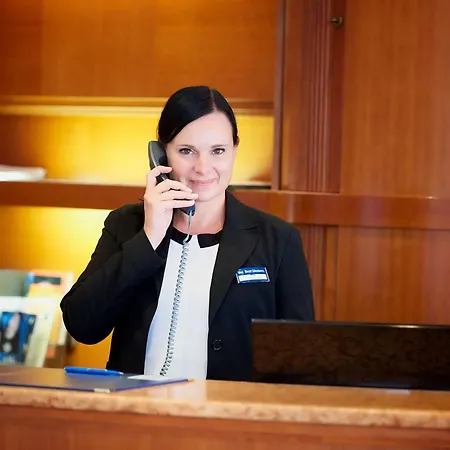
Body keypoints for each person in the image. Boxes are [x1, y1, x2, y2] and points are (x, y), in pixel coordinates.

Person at [60, 86, 315, 381]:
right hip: (137, 406)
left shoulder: (278, 239)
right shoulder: (126, 225)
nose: (203, 168)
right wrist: (148, 238)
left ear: (234, 150)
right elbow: (82, 325)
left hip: (233, 408)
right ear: (160, 155)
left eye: (217, 151)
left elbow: (301, 359)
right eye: (186, 151)